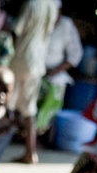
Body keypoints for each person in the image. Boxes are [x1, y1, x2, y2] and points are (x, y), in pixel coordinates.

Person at [7, 0, 58, 164]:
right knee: (29, 109)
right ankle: (31, 151)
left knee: (8, 104)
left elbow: (16, 30)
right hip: (37, 61)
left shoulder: (31, 4)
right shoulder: (52, 6)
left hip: (22, 59)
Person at [35, 5, 82, 134]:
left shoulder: (66, 25)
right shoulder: (38, 21)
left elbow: (76, 55)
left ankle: (40, 132)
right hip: (35, 71)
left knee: (51, 94)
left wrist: (56, 70)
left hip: (54, 74)